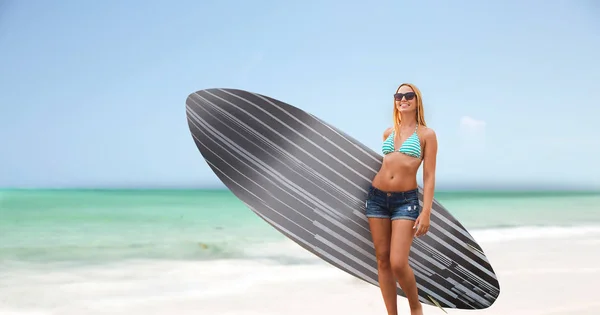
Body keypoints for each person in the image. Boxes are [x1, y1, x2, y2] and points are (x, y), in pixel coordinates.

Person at [365, 83, 438, 315]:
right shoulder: (389, 132)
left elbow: (428, 175)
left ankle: (415, 308)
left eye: (409, 95)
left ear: (417, 101)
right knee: (383, 260)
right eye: (399, 95)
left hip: (406, 202)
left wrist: (426, 211)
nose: (403, 99)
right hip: (376, 198)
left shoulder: (427, 134)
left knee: (398, 262)